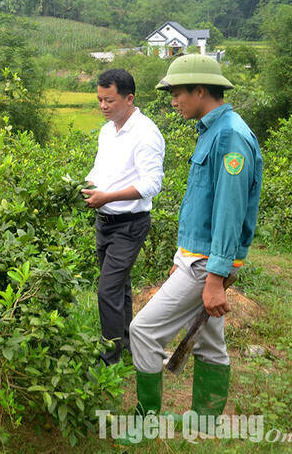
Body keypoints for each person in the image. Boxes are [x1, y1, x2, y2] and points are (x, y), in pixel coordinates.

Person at [128, 55, 263, 434]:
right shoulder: (212, 131)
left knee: (143, 330)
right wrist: (180, 255)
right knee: (207, 340)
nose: (173, 101)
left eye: (176, 93)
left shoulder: (230, 136)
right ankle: (204, 422)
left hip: (207, 264)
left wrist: (215, 278)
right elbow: (200, 205)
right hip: (197, 257)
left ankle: (146, 422)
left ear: (199, 91)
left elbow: (228, 213)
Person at [82, 69, 165, 365]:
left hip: (129, 225)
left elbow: (151, 185)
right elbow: (100, 171)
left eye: (110, 100)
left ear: (129, 99)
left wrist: (108, 197)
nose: (103, 106)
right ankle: (127, 344)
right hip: (104, 222)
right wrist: (86, 187)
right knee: (120, 288)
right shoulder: (108, 130)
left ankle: (109, 358)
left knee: (107, 290)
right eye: (100, 100)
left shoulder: (145, 134)